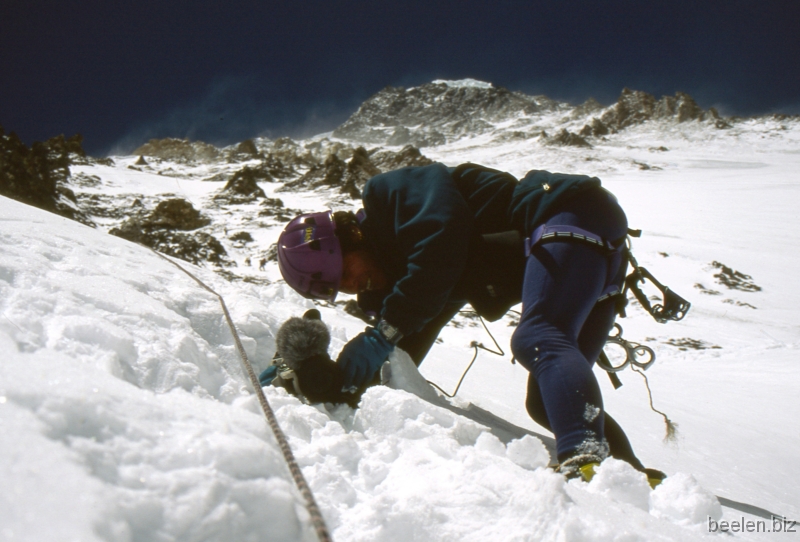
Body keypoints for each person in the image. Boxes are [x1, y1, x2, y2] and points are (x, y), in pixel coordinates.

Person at [276, 162, 663, 483]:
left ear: (350, 238)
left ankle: (585, 461)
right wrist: (332, 380)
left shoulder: (390, 196)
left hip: (567, 212)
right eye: (338, 290)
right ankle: (631, 477)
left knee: (540, 336)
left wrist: (384, 333)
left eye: (344, 272)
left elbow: (442, 242)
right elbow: (405, 343)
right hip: (598, 259)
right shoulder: (411, 279)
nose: (351, 286)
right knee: (545, 402)